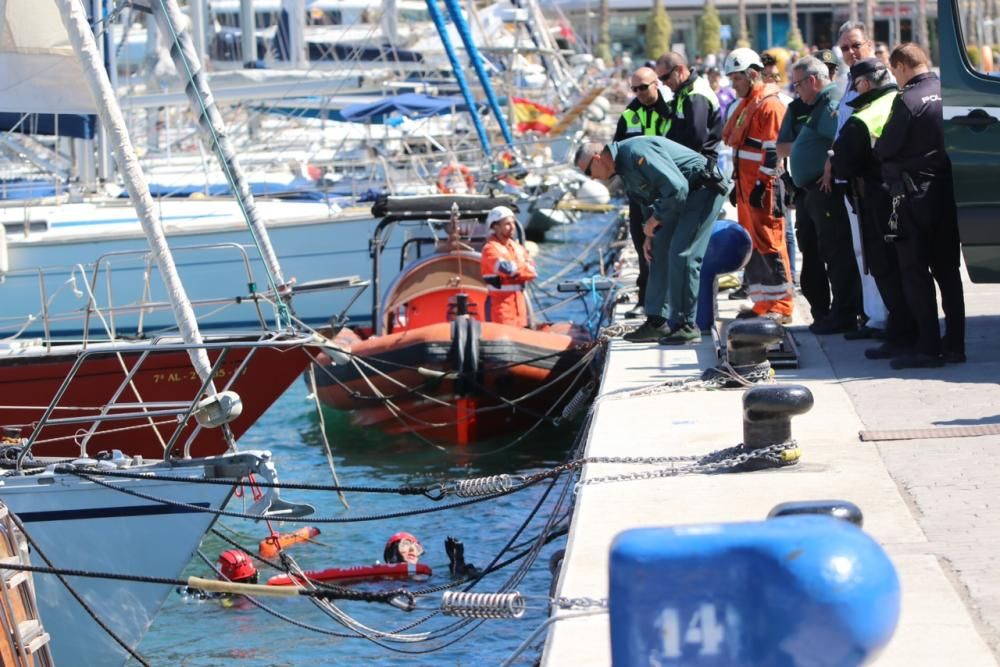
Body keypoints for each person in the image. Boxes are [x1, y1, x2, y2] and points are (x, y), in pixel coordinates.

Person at [574, 137, 730, 344]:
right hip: (679, 198)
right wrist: (650, 233)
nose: (591, 179)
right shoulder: (622, 168)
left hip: (702, 189)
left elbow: (678, 188)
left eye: (587, 172)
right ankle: (657, 322)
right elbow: (648, 200)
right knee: (658, 249)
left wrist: (655, 220)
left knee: (682, 254)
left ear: (597, 158)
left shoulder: (635, 153)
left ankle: (686, 326)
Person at [876, 43, 966, 369]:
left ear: (900, 67)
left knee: (916, 273)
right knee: (948, 273)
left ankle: (928, 348)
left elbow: (886, 147)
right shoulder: (950, 94)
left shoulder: (908, 101)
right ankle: (956, 344)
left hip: (914, 197)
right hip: (948, 193)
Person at [831, 58, 914, 360]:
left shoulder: (862, 118)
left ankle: (900, 335)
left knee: (885, 268)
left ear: (864, 84)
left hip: (877, 202)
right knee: (911, 268)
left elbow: (843, 162)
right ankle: (916, 332)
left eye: (855, 85)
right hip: (911, 196)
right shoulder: (902, 100)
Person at [787, 56, 863, 334]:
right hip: (814, 189)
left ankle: (845, 313)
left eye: (798, 85)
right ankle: (839, 311)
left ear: (813, 80)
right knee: (828, 250)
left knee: (836, 251)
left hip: (825, 190)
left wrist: (830, 164)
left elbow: (842, 138)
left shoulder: (830, 102)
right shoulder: (819, 102)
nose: (796, 91)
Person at [825, 21, 890, 339]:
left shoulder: (880, 79)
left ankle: (886, 318)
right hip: (851, 182)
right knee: (861, 252)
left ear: (870, 44)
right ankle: (873, 315)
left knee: (877, 253)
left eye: (856, 45)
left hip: (873, 182)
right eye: (845, 48)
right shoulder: (849, 82)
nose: (851, 52)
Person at [721, 47, 794, 322]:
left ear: (752, 75)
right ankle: (763, 303)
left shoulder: (770, 105)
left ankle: (782, 306)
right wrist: (738, 185)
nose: (733, 84)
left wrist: (762, 185)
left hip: (764, 189)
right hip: (747, 187)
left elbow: (772, 150)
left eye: (736, 79)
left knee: (772, 243)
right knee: (753, 244)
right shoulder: (748, 104)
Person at [613, 66, 674, 319]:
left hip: (666, 187)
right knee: (641, 243)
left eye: (643, 88)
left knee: (668, 243)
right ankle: (645, 298)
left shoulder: (671, 110)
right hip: (639, 191)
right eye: (634, 89)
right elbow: (617, 149)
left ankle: (670, 299)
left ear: (656, 84)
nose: (638, 93)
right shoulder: (630, 114)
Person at [654, 52, 723, 159]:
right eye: (660, 79)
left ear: (680, 70)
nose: (664, 83)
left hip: (697, 164)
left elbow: (696, 141)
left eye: (665, 77)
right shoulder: (683, 91)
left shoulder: (695, 95)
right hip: (688, 161)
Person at [480, 206, 537, 327]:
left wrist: (518, 269)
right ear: (495, 226)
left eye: (513, 223)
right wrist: (522, 267)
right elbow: (507, 269)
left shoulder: (517, 248)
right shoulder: (490, 249)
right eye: (507, 224)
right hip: (501, 310)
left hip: (520, 311)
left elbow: (532, 271)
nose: (512, 227)